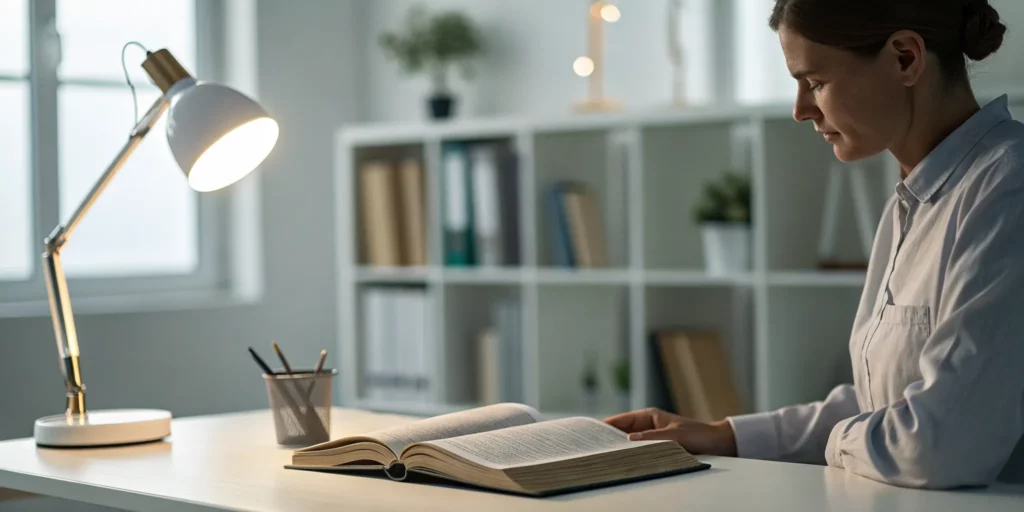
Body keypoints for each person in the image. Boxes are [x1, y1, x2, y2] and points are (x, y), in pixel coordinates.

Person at [606, 0, 1024, 489]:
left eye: (816, 82)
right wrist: (724, 435)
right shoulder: (915, 201)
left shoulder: (1008, 189)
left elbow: (937, 447)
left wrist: (835, 438)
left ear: (905, 58)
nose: (801, 109)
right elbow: (883, 404)